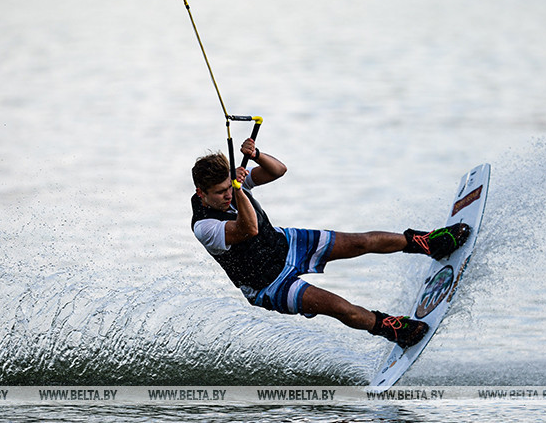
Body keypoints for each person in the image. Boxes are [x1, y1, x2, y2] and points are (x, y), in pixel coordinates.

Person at [190, 138, 470, 348]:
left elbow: (278, 171)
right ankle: (392, 328)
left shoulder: (231, 185)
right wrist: (239, 189)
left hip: (285, 243)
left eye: (229, 188)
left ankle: (427, 243)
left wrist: (257, 155)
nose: (227, 195)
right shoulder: (204, 227)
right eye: (220, 193)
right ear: (201, 193)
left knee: (360, 242)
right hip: (267, 283)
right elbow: (248, 228)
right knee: (338, 306)